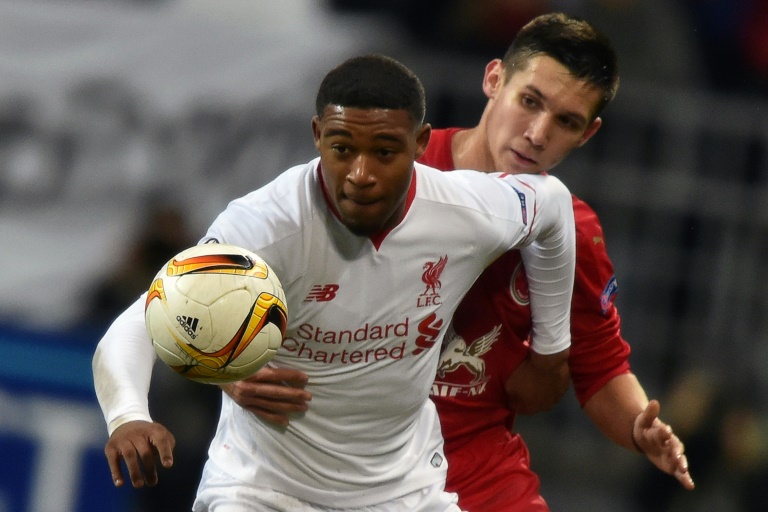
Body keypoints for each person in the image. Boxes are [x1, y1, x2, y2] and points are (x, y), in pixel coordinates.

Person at [93, 54, 578, 511]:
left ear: (421, 142)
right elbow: (140, 321)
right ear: (317, 135)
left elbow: (552, 206)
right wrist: (128, 415)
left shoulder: (466, 212)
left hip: (404, 493)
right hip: (263, 491)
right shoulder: (265, 229)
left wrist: (552, 349)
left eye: (385, 152)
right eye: (342, 149)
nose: (360, 174)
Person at [417, 13, 694, 510]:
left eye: (566, 121)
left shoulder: (573, 230)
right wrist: (239, 368)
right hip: (350, 462)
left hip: (476, 475)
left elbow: (602, 365)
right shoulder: (394, 174)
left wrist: (638, 426)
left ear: (588, 134)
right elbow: (264, 282)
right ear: (493, 79)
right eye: (529, 102)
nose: (538, 134)